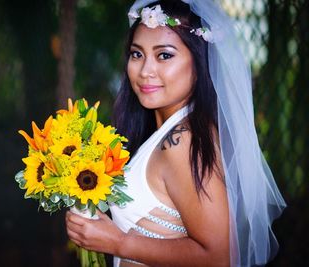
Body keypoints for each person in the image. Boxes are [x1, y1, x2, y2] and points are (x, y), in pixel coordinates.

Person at [66, 0, 286, 266]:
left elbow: (221, 257)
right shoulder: (169, 131)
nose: (146, 71)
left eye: (165, 55)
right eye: (137, 54)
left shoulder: (183, 141)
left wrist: (119, 243)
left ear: (199, 61)